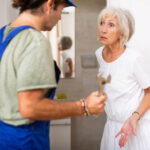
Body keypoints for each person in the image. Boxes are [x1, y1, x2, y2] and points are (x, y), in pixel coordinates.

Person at [0, 0, 107, 150]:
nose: (60, 18)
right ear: (50, 5)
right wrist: (84, 106)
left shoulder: (4, 34)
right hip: (24, 141)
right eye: (61, 11)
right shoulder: (34, 41)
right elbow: (30, 107)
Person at [95, 7, 150, 150]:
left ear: (122, 32)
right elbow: (109, 82)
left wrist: (134, 117)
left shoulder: (134, 58)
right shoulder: (99, 54)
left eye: (111, 25)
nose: (103, 29)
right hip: (111, 128)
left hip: (134, 129)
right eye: (102, 23)